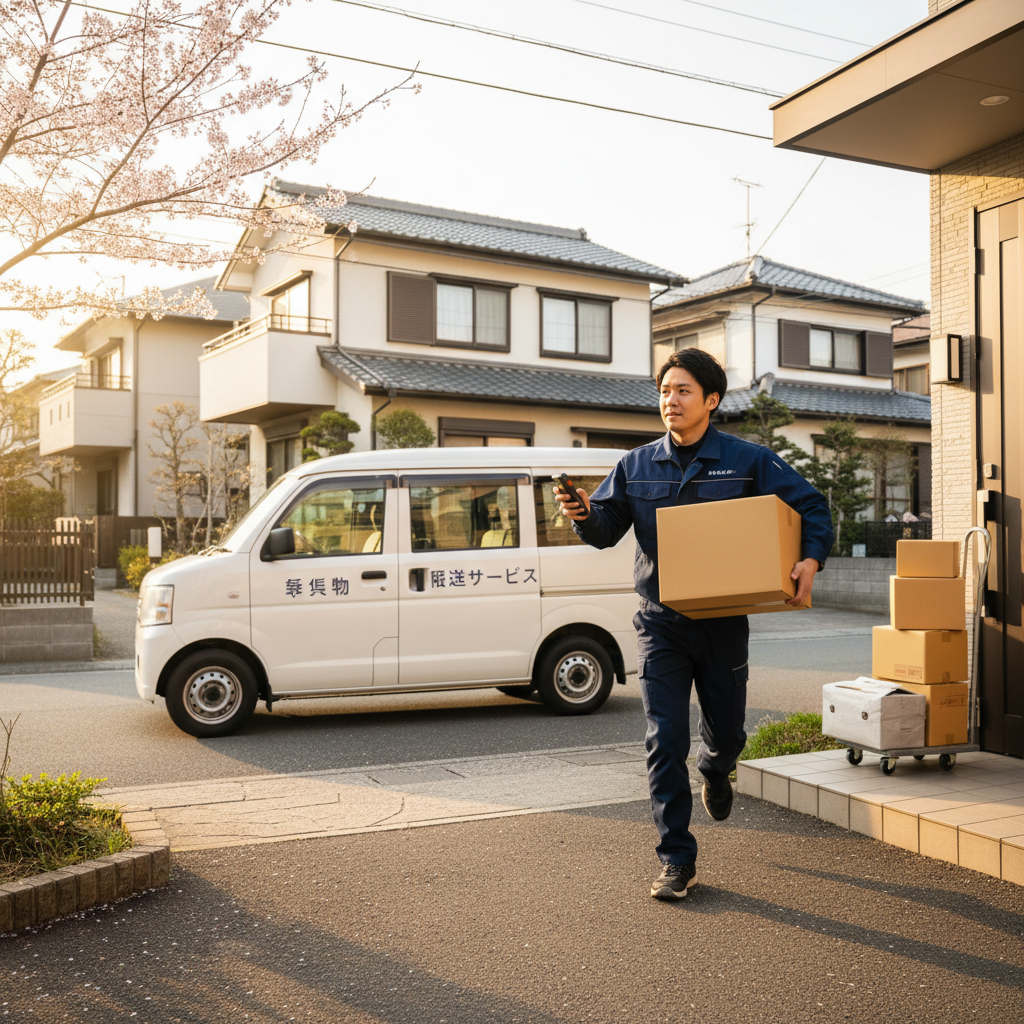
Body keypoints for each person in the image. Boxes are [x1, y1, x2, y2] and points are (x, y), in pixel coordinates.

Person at [555, 349, 833, 901]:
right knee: (664, 740)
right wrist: (586, 515)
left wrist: (811, 557)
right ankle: (677, 859)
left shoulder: (747, 460)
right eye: (664, 391)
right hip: (660, 623)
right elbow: (608, 529)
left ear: (710, 400)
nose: (670, 400)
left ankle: (716, 764)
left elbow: (812, 506)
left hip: (724, 622)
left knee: (726, 731)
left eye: (683, 391)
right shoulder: (635, 466)